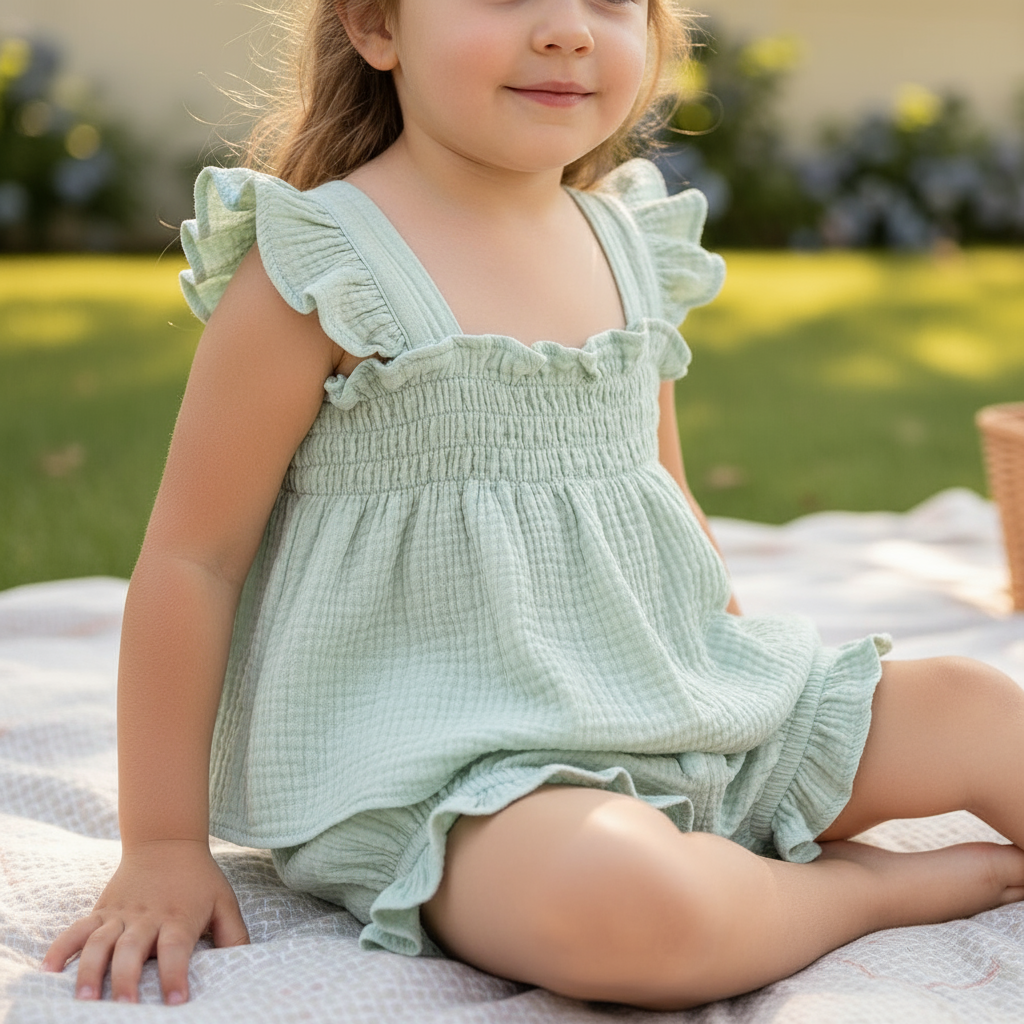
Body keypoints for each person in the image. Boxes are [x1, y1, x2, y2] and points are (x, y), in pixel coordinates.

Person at [41, 0, 1024, 1011]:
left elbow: (663, 495)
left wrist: (743, 694)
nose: (565, 29)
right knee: (634, 911)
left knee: (976, 708)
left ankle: (738, 844)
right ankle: (855, 895)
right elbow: (192, 560)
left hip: (661, 697)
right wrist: (161, 842)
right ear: (377, 28)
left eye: (608, 1)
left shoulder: (628, 242)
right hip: (458, 769)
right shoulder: (321, 263)